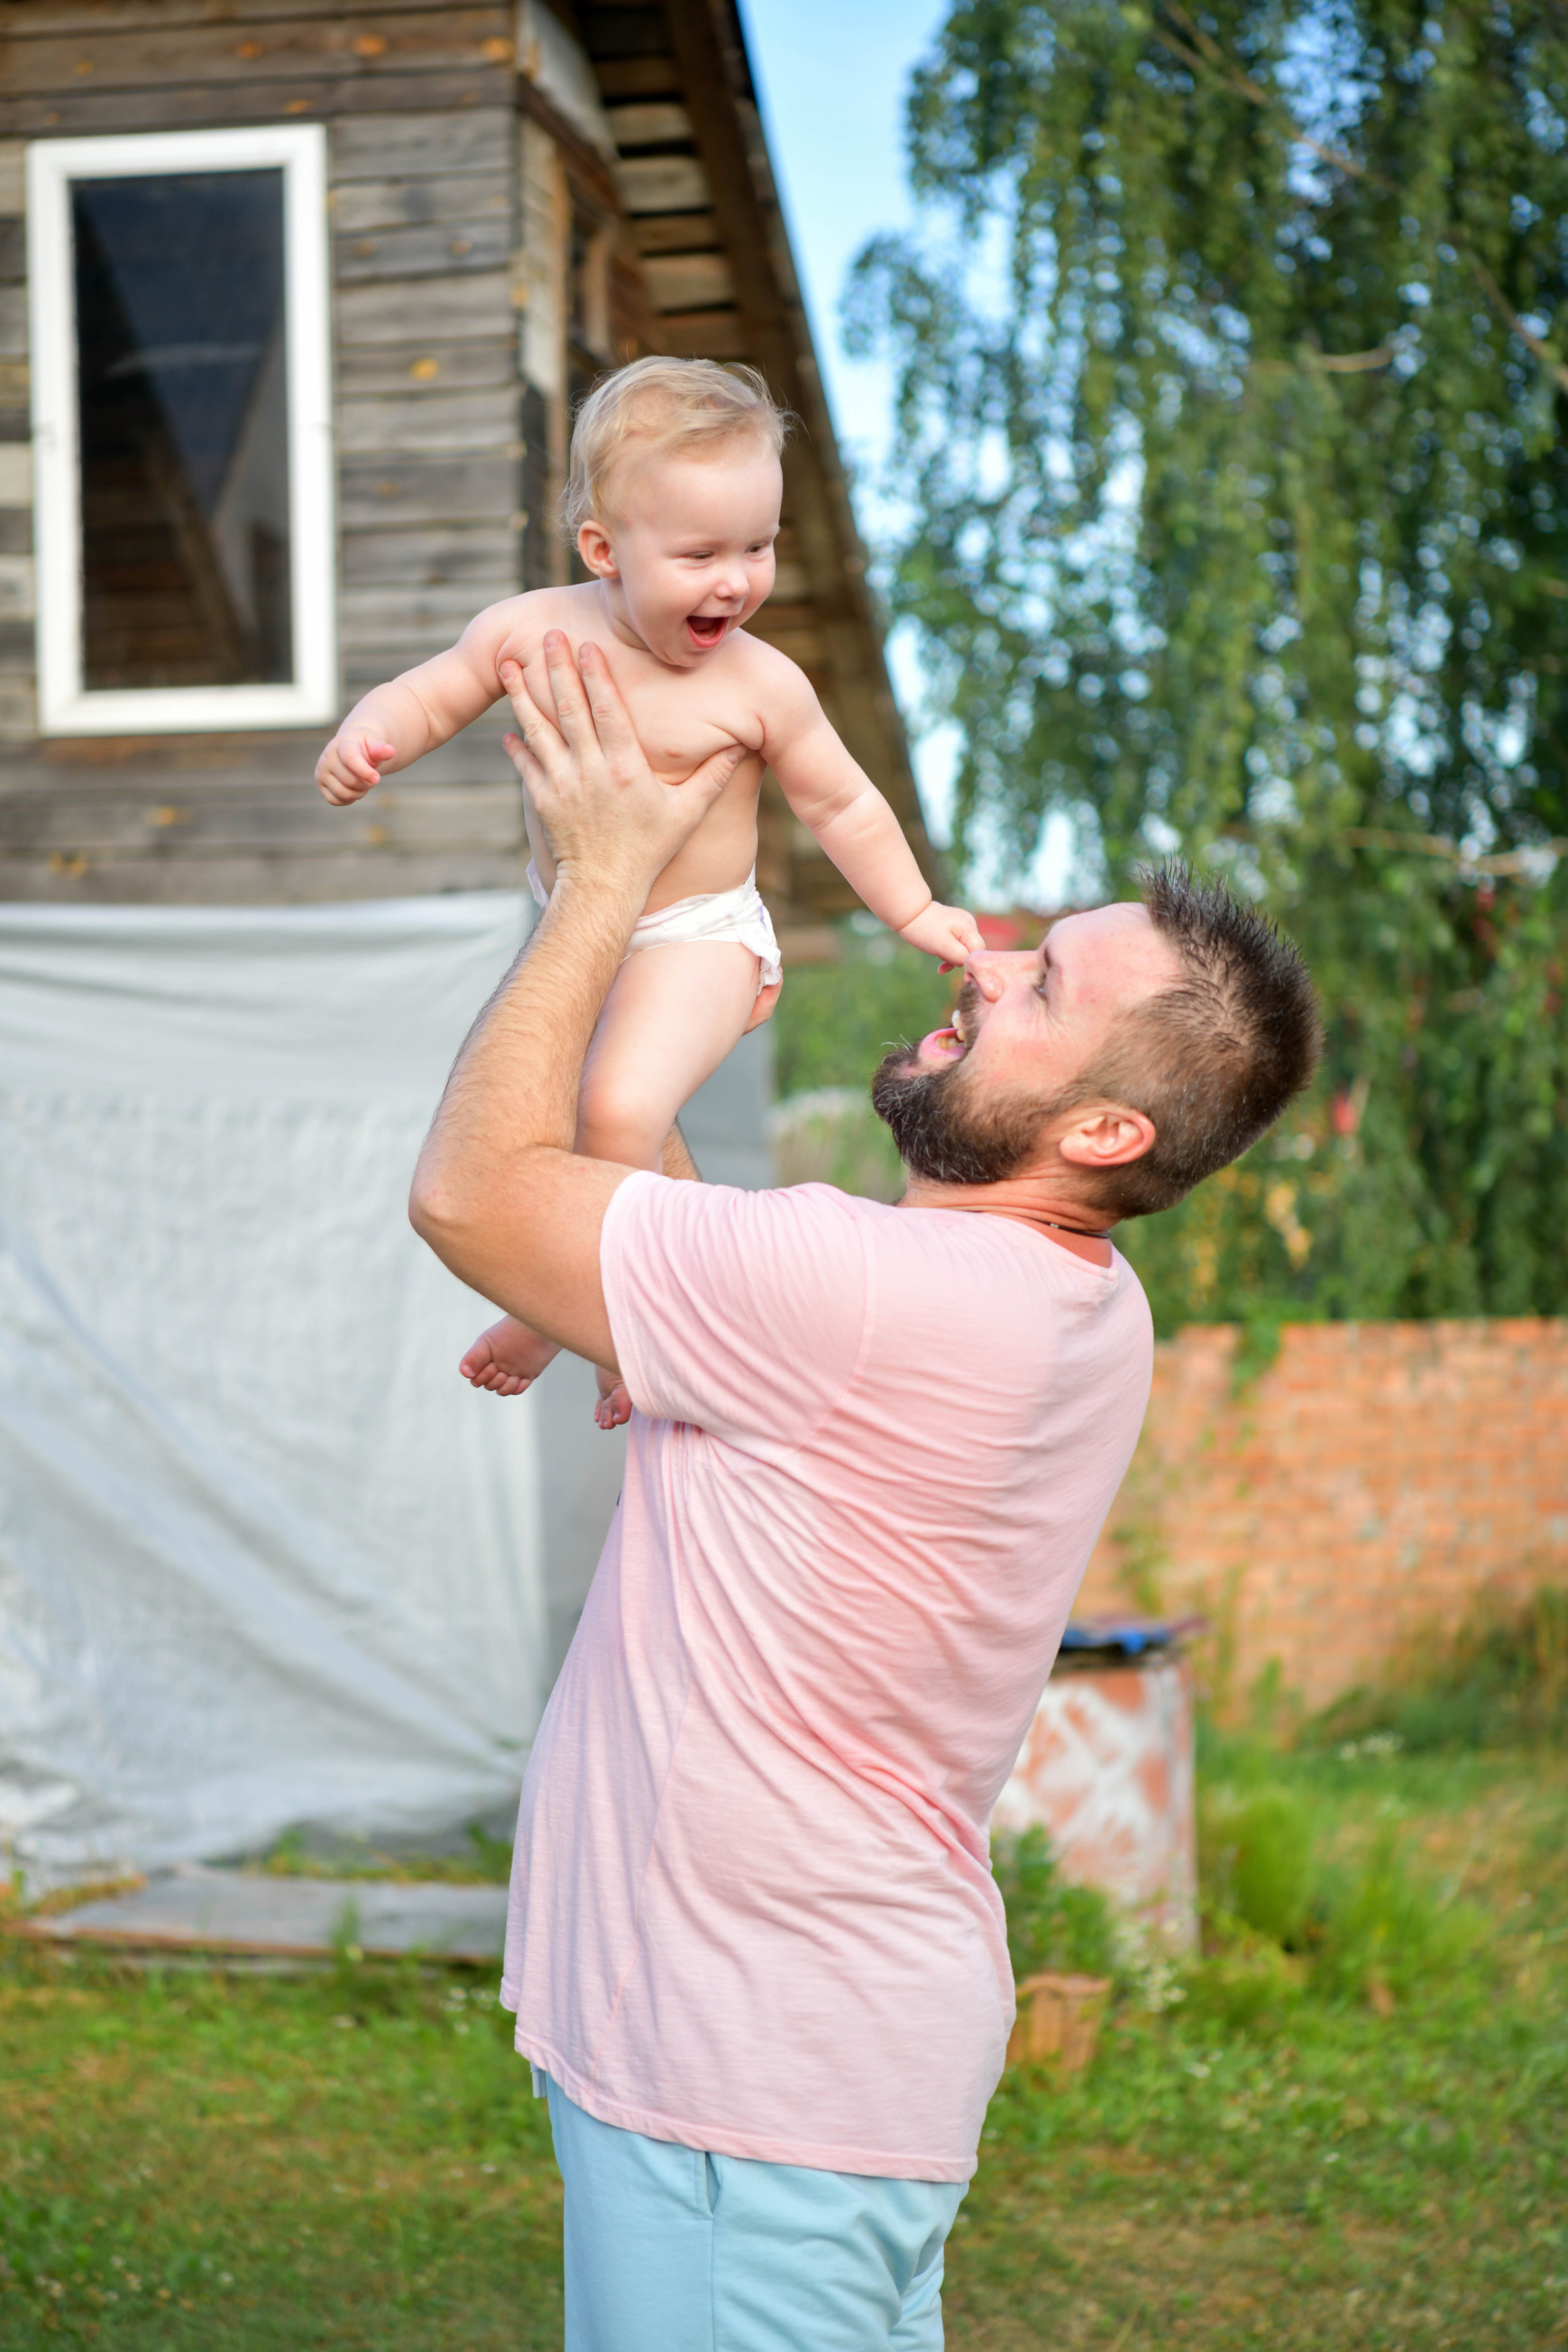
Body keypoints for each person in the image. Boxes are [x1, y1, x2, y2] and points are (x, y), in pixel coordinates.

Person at [408, 635, 1320, 2352]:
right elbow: (687, 1259)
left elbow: (473, 1191)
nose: (981, 961)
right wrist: (650, 971)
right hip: (820, 2067)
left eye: (1039, 987)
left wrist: (596, 888)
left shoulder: (874, 1299)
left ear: (1104, 1133)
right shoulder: (1078, 1306)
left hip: (741, 2079)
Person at [317, 355, 979, 1426]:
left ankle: (590, 1321)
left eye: (759, 547)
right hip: (582, 922)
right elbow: (430, 693)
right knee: (544, 1107)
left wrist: (911, 910)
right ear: (604, 550)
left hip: (700, 938)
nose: (737, 582)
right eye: (701, 554)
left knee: (620, 1110)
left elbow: (844, 804)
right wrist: (369, 737)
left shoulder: (761, 682)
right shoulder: (530, 630)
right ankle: (643, 1304)